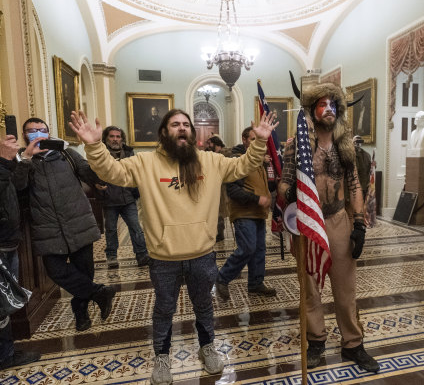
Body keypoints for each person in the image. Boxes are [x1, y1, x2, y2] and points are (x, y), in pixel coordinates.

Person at [68, 108, 277, 385]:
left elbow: (244, 164)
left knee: (204, 305)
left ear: (191, 133)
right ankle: (162, 356)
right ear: (164, 132)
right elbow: (111, 171)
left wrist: (260, 140)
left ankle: (207, 347)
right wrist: (94, 145)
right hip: (163, 257)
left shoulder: (211, 161)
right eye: (175, 124)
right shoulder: (144, 163)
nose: (182, 128)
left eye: (186, 125)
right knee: (164, 308)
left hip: (202, 254)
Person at [278, 83, 380, 372]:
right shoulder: (295, 145)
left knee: (345, 288)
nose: (329, 109)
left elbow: (355, 185)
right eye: (323, 105)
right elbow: (284, 183)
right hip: (308, 223)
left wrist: (358, 223)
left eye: (333, 105)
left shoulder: (345, 144)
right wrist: (288, 193)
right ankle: (316, 340)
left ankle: (353, 345)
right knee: (310, 288)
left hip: (338, 220)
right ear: (312, 110)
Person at [12, 118, 116, 333]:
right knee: (56, 271)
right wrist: (27, 159)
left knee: (84, 272)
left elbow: (89, 173)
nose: (37, 133)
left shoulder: (66, 154)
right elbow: (18, 187)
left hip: (79, 222)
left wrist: (100, 166)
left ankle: (81, 314)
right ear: (24, 136)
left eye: (41, 130)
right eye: (31, 131)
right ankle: (99, 292)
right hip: (47, 227)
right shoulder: (21, 159)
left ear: (48, 134)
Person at [215, 126, 276, 300]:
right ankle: (222, 277)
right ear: (244, 140)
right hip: (244, 213)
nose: (257, 143)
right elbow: (233, 191)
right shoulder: (238, 160)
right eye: (253, 139)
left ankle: (256, 283)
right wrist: (258, 199)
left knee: (259, 250)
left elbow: (267, 185)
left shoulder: (259, 161)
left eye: (259, 140)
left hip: (258, 213)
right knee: (248, 248)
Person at [0, 134, 40, 370]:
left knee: (4, 305)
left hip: (8, 241)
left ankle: (6, 353)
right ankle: (5, 355)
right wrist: (5, 161)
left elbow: (16, 185)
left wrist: (22, 159)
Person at [96, 126, 150, 268]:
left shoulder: (129, 152)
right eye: (112, 136)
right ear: (106, 139)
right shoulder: (102, 154)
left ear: (122, 138)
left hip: (127, 197)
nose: (115, 139)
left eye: (118, 136)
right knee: (111, 229)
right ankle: (112, 257)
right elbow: (93, 172)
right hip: (109, 198)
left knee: (135, 227)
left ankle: (142, 255)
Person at [353, 135, 371, 200]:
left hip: (364, 185)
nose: (357, 143)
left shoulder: (367, 155)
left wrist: (374, 165)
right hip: (354, 186)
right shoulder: (350, 154)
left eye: (359, 141)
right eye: (355, 141)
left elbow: (369, 170)